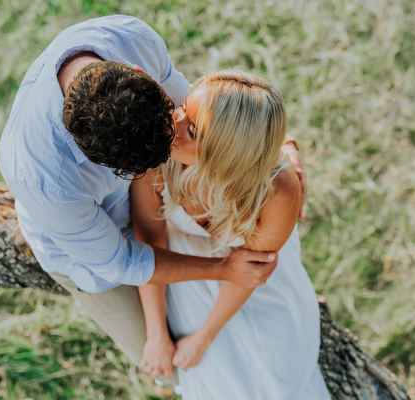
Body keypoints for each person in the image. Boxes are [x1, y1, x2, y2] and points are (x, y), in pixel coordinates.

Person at [0, 15, 305, 385]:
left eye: (178, 116)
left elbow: (232, 118)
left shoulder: (132, 42)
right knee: (174, 369)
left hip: (222, 271)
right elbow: (122, 260)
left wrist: (281, 150)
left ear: (139, 72)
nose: (174, 125)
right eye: (145, 165)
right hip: (91, 253)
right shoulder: (47, 181)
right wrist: (220, 272)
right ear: (108, 164)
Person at [131, 71, 330, 399]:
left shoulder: (277, 189)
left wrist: (203, 338)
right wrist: (156, 333)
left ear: (226, 155)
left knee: (280, 381)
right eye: (182, 109)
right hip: (183, 273)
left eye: (191, 130)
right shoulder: (156, 150)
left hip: (260, 287)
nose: (173, 126)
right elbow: (149, 237)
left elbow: (255, 268)